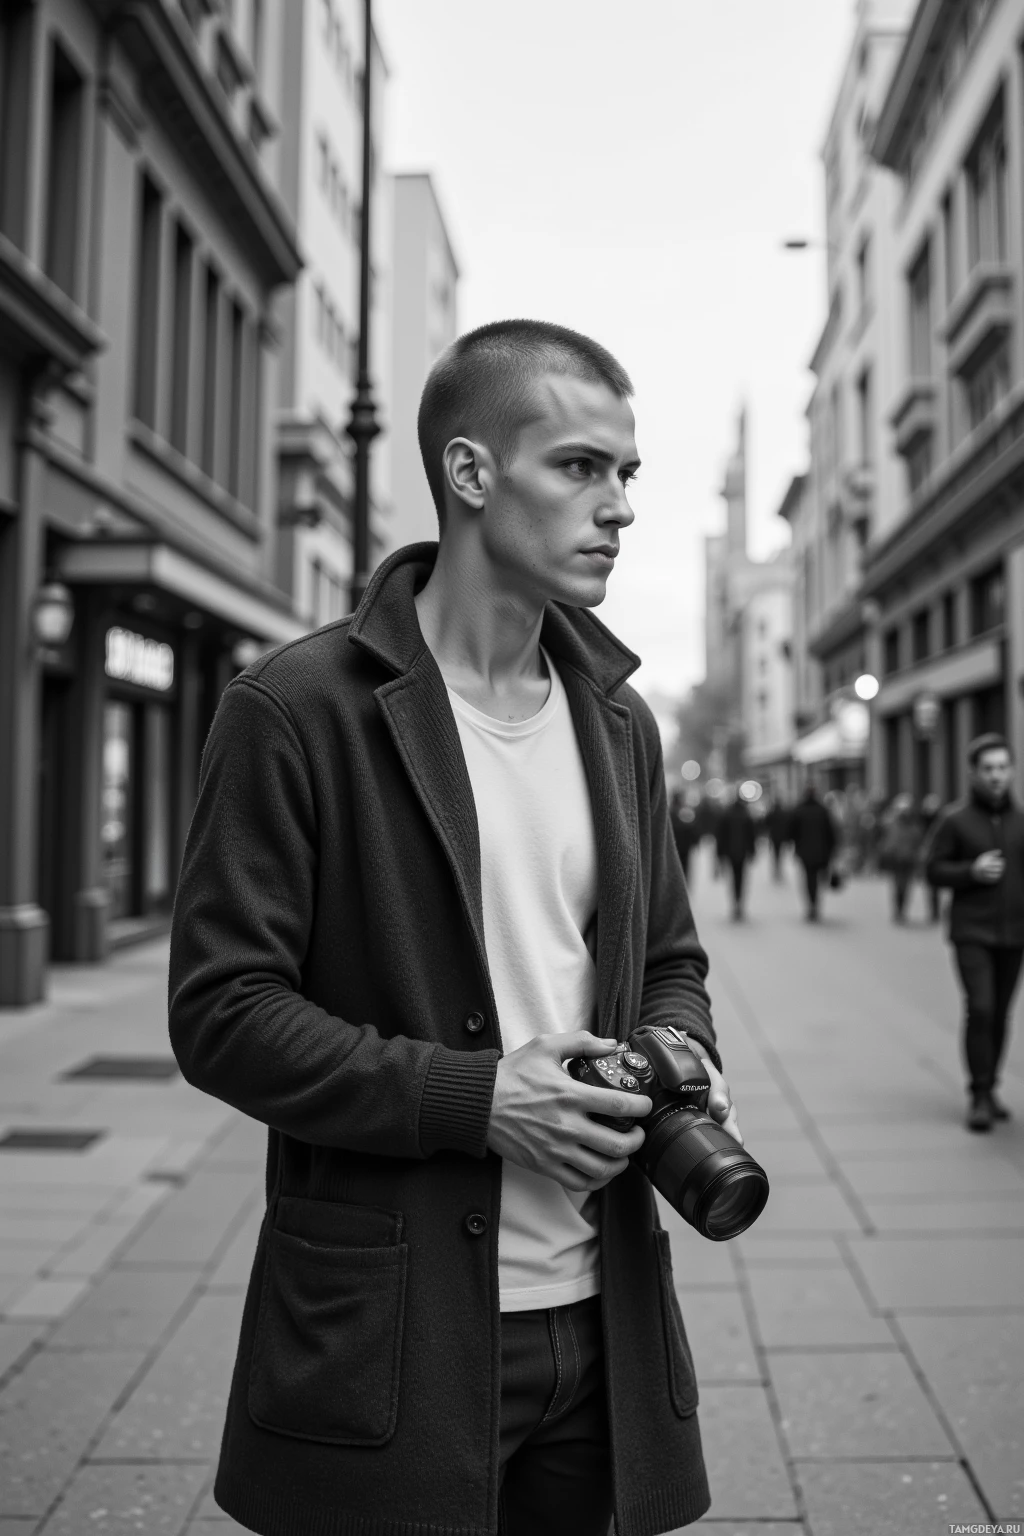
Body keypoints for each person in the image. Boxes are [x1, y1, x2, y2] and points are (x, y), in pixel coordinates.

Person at [168, 320, 742, 1536]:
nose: (619, 507)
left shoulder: (619, 719)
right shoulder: (295, 709)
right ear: (472, 474)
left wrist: (678, 1047)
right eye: (582, 468)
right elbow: (222, 1015)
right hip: (394, 1332)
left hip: (608, 1319)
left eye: (627, 475)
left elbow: (670, 961)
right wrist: (475, 1097)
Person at [925, 734, 1024, 1133]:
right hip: (972, 932)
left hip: (1015, 934)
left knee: (1000, 1013)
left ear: (1012, 770)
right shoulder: (955, 820)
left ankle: (992, 1086)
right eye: (989, 769)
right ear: (974, 773)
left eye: (1003, 767)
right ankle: (978, 1094)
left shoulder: (1021, 821)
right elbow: (932, 869)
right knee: (980, 1007)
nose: (996, 776)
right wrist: (971, 871)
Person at [789, 784, 838, 922]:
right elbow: (831, 833)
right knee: (817, 877)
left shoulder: (799, 810)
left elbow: (792, 832)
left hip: (805, 851)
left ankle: (812, 904)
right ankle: (815, 903)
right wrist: (832, 849)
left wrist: (796, 845)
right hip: (822, 851)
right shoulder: (822, 811)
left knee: (809, 878)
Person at [879, 793, 923, 923]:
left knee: (906, 887)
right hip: (896, 860)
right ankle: (898, 910)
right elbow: (886, 840)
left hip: (908, 860)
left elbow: (918, 842)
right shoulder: (891, 823)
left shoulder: (915, 826)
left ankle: (902, 910)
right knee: (897, 886)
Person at [715, 789, 758, 920]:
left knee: (733, 878)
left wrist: (720, 853)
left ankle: (735, 902)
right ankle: (739, 902)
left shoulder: (727, 814)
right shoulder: (746, 814)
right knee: (741, 878)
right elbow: (751, 835)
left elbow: (721, 835)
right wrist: (752, 851)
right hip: (742, 851)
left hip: (730, 852)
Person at [919, 792, 944, 922]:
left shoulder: (942, 820)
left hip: (938, 856)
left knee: (937, 886)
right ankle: (933, 911)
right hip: (926, 856)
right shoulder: (921, 819)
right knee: (929, 885)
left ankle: (937, 911)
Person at [669, 788, 700, 886]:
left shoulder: (669, 811)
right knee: (684, 866)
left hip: (673, 844)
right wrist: (694, 841)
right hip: (685, 845)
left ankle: (677, 884)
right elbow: (691, 828)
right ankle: (683, 884)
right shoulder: (685, 811)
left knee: (673, 866)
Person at [763, 797, 791, 882]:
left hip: (774, 837)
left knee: (775, 854)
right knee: (780, 854)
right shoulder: (784, 813)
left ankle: (776, 871)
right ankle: (779, 871)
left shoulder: (772, 813)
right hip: (782, 837)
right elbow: (788, 825)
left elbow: (766, 823)